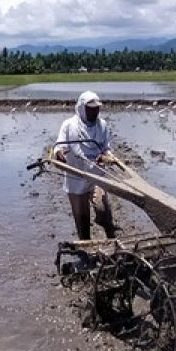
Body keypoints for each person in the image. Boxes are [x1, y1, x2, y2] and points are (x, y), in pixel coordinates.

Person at [55, 91, 117, 240]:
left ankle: (112, 241)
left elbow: (107, 147)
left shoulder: (102, 125)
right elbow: (58, 146)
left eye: (97, 109)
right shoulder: (69, 125)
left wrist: (107, 156)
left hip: (97, 176)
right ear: (82, 108)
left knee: (104, 212)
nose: (94, 112)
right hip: (76, 178)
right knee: (81, 219)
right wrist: (59, 153)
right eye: (90, 109)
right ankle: (85, 250)